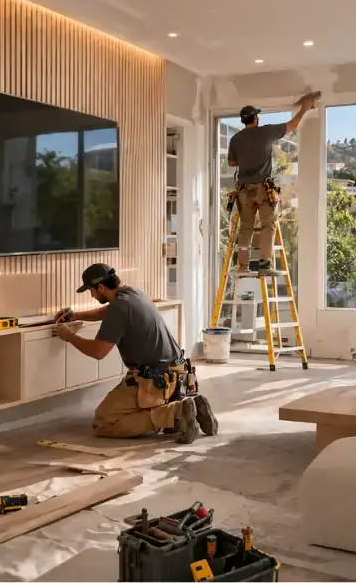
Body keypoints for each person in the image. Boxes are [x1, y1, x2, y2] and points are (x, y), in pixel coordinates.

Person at [53, 263, 218, 443]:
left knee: (104, 422)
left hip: (155, 380)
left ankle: (176, 412)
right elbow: (105, 312)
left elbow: (98, 351)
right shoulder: (132, 293)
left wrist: (69, 336)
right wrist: (76, 315)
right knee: (135, 413)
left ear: (101, 287)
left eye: (91, 291)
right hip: (178, 374)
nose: (92, 295)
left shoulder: (119, 307)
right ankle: (188, 407)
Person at [226, 96, 315, 274]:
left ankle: (242, 267)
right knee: (268, 225)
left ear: (243, 121)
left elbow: (232, 163)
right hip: (262, 190)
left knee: (246, 228)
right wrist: (304, 108)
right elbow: (292, 124)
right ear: (256, 119)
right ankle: (265, 264)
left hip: (243, 190)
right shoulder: (266, 132)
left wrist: (246, 158)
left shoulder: (236, 139)